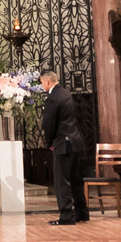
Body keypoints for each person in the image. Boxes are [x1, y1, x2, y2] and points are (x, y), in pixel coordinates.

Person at [42, 69, 88, 226]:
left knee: (62, 181)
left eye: (42, 83)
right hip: (76, 142)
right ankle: (82, 213)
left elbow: (48, 124)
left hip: (63, 143)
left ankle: (67, 216)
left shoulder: (52, 98)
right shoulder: (66, 94)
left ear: (47, 81)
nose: (42, 86)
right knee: (76, 180)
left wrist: (49, 143)